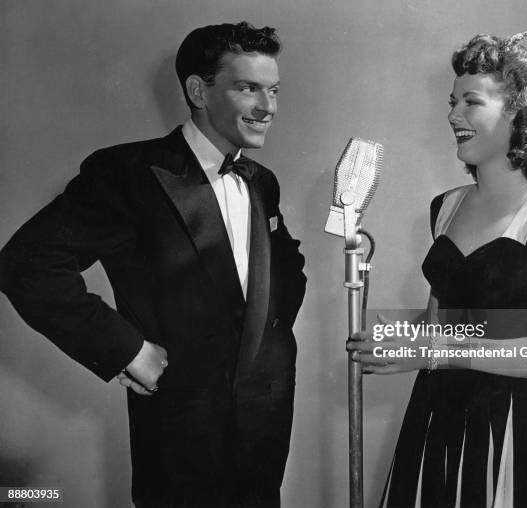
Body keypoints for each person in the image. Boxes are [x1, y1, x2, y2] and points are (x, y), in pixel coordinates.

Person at [0, 22, 306, 508]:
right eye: (248, 88)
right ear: (197, 91)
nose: (267, 107)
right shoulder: (128, 173)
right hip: (180, 443)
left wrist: (267, 353)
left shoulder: (261, 182)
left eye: (273, 90)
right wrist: (126, 349)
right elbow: (26, 264)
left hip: (265, 432)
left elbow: (283, 276)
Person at [349, 32, 527, 507]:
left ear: (519, 112)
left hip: (517, 428)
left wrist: (437, 351)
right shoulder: (446, 206)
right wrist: (393, 336)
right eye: (451, 101)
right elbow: (439, 321)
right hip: (438, 415)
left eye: (470, 101)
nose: (452, 115)